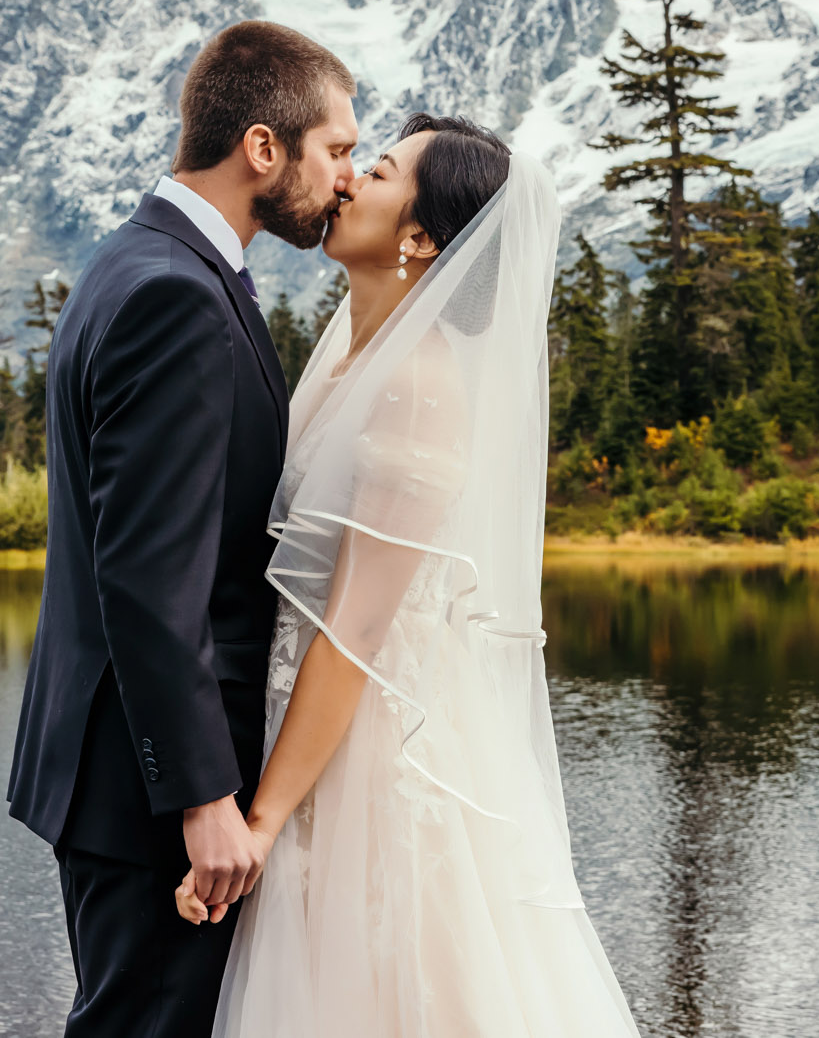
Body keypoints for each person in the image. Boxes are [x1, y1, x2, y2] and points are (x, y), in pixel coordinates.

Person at [196, 113, 641, 1037]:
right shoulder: (354, 355)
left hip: (373, 759)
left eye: (381, 170)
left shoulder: (420, 384)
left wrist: (267, 821)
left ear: (422, 236)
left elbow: (355, 632)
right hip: (308, 730)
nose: (348, 178)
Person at [8, 20, 360, 1038]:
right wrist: (205, 796)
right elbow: (148, 577)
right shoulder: (173, 294)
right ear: (263, 147)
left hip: (115, 771)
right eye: (335, 148)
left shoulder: (136, 262)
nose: (344, 176)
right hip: (152, 793)